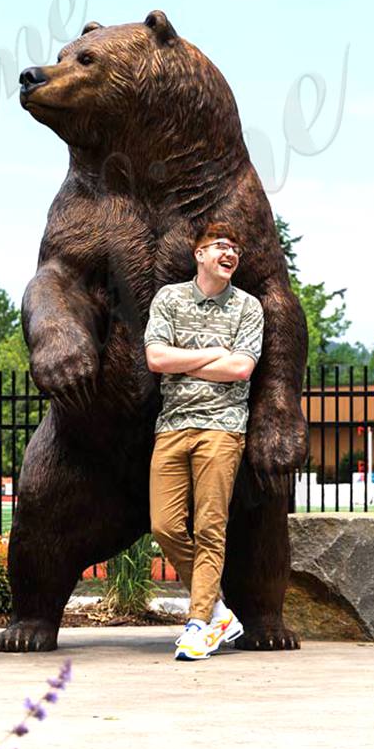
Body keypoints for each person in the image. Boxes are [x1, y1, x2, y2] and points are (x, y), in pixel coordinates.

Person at [144, 221, 263, 661]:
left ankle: (197, 624)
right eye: (220, 246)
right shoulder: (170, 299)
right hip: (172, 425)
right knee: (165, 526)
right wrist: (214, 354)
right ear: (199, 254)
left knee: (210, 527)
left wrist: (185, 362)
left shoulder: (249, 308)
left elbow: (241, 370)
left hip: (223, 427)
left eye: (235, 248)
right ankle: (219, 611)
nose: (230, 253)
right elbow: (156, 358)